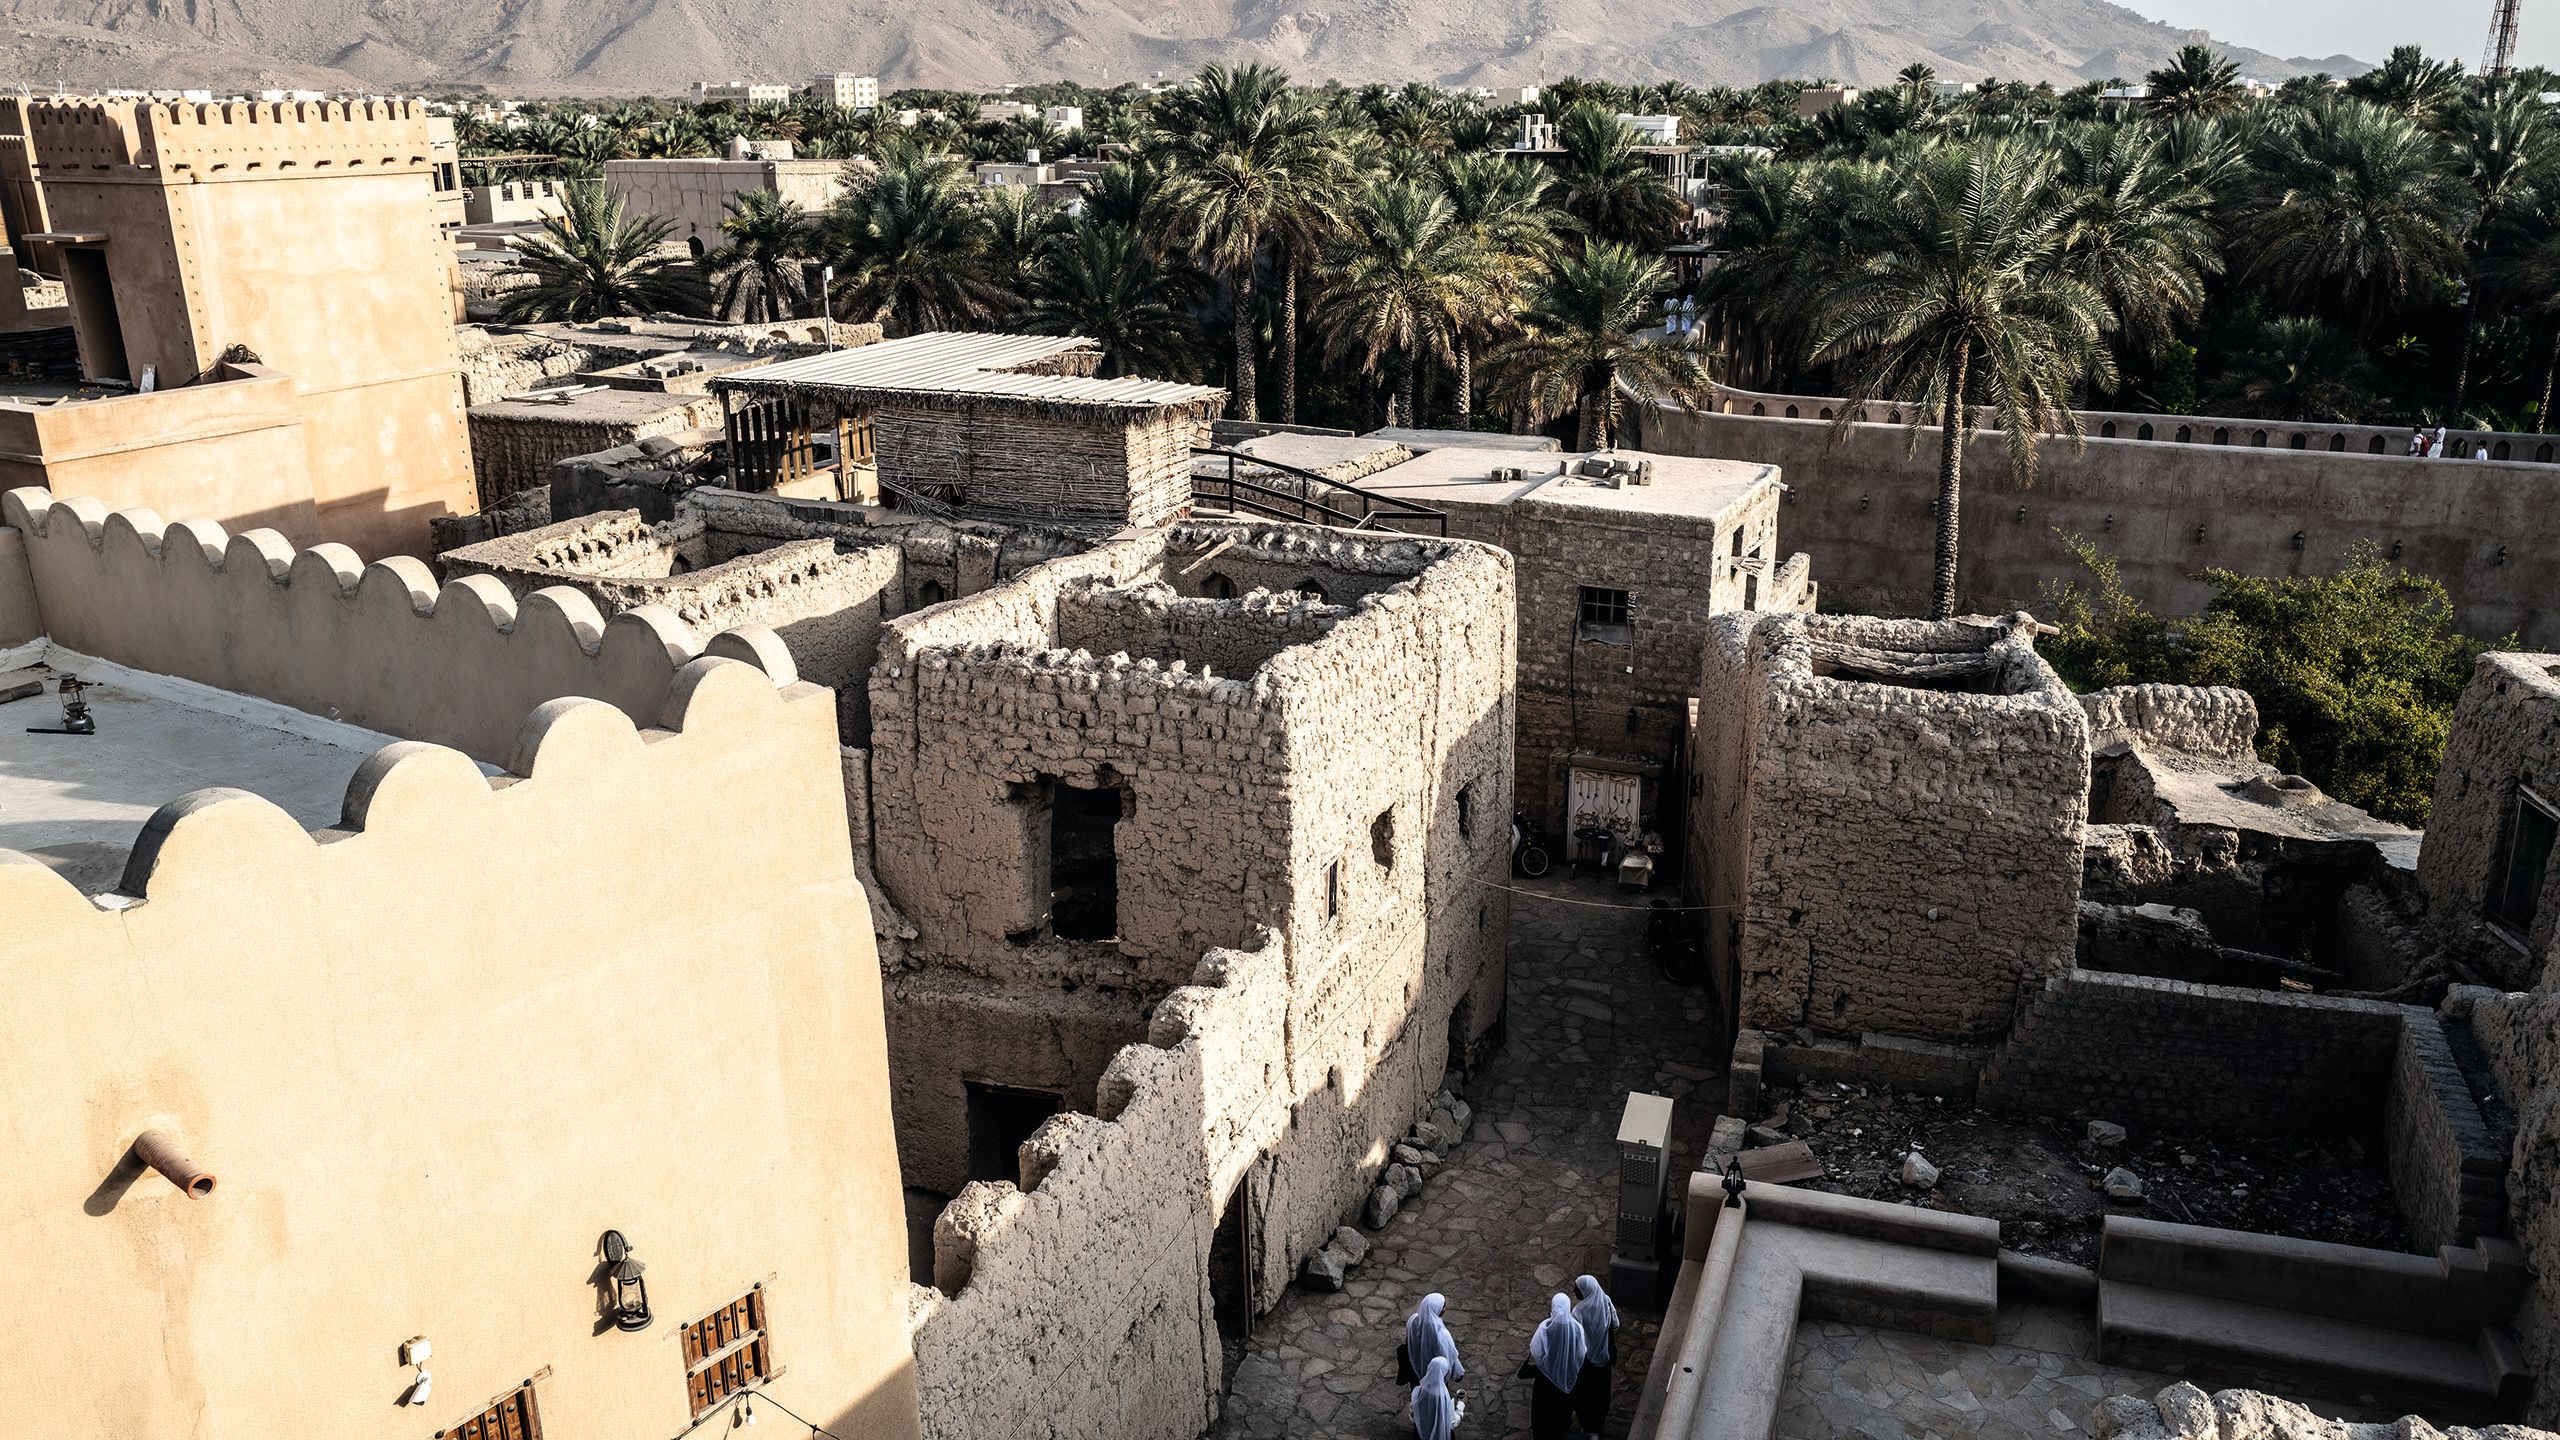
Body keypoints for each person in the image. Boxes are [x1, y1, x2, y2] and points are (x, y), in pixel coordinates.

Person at [1523, 1292, 1586, 1440]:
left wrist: (1547, 1365)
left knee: (1542, 1414)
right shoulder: (1577, 1329)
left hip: (1545, 1381)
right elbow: (1581, 1353)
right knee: (1562, 1412)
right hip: (1567, 1377)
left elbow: (1536, 1352)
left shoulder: (1545, 1327)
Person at [1569, 1275, 1620, 1433]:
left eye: (1577, 1289)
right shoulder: (1605, 1300)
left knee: (1585, 1396)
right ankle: (1597, 1426)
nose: (1574, 1291)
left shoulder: (1578, 1312)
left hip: (1586, 1364)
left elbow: (1575, 1339)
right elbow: (1616, 1324)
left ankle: (1587, 1426)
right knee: (1600, 1396)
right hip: (1604, 1360)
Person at [1403, 1293, 1464, 1385]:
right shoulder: (1441, 1334)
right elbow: (1448, 1355)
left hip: (1415, 1368)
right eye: (1443, 1306)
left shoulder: (1413, 1320)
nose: (1444, 1309)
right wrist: (1458, 1373)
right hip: (1435, 1376)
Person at [1412, 1356, 1464, 1440]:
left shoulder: (1419, 1390)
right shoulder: (1443, 1396)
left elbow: (1413, 1414)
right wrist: (1461, 1404)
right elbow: (1452, 1422)